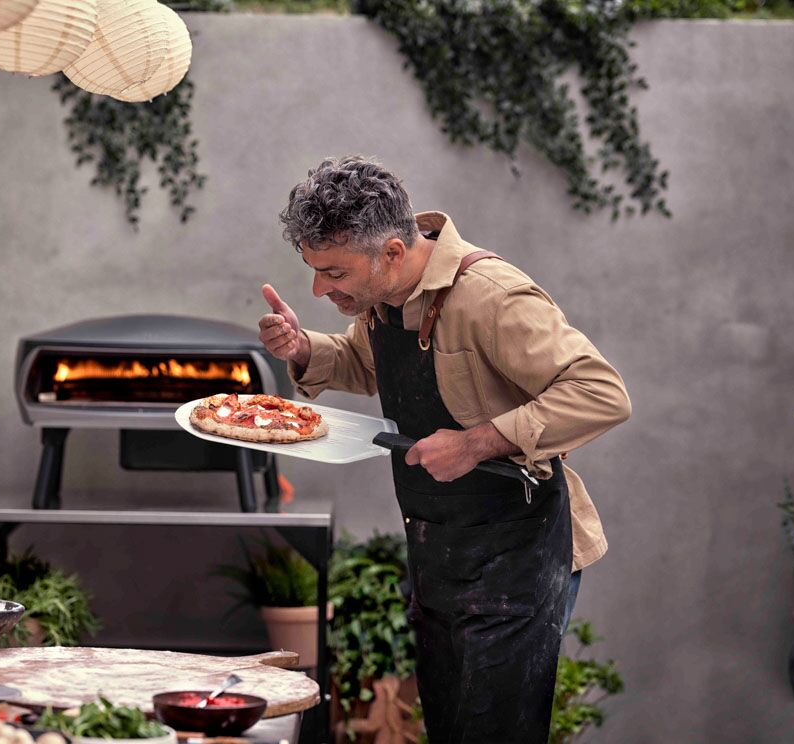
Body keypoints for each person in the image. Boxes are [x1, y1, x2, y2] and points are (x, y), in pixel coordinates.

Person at [257, 155, 630, 744]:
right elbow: (363, 363)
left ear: (392, 253)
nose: (319, 288)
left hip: (517, 557)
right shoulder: (383, 296)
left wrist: (478, 443)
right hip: (439, 554)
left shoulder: (492, 296)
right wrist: (303, 349)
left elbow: (601, 392)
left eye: (333, 273)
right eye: (314, 270)